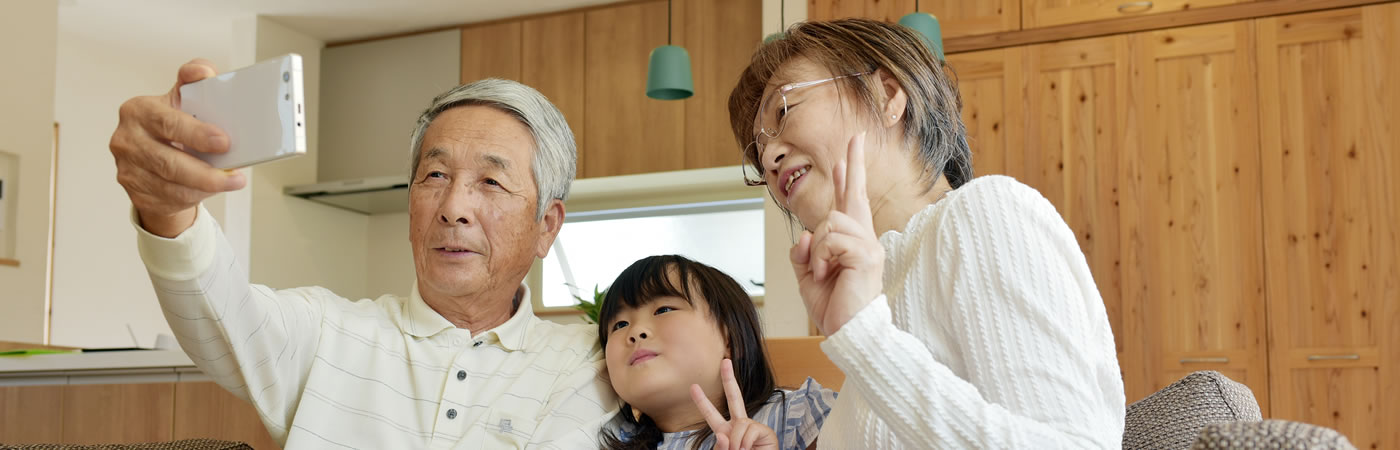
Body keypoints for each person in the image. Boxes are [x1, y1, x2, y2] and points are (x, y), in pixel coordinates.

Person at [109, 60, 617, 448]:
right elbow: (219, 313)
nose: (454, 207)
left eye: (490, 181)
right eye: (436, 176)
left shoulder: (592, 363)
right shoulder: (327, 333)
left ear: (546, 227)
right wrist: (167, 209)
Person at [726, 19, 1126, 448]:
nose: (768, 156)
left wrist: (866, 338)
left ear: (887, 94)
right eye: (757, 151)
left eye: (783, 110)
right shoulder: (875, 292)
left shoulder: (982, 215)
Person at [597, 255, 835, 450]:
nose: (636, 331)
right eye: (619, 325)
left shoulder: (798, 414)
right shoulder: (603, 441)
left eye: (663, 309)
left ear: (731, 339)